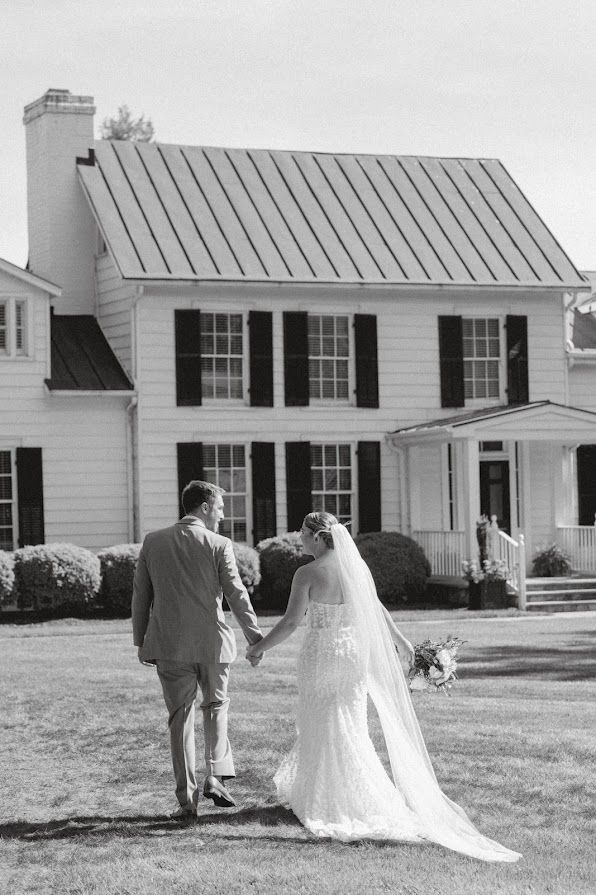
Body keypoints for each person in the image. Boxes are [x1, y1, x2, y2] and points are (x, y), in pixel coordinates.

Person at [246, 511, 521, 861]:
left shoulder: (307, 573)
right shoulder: (355, 568)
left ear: (317, 537)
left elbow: (289, 622)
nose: (298, 536)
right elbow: (378, 611)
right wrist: (403, 644)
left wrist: (257, 648)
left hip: (322, 655)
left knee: (325, 721)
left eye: (302, 531)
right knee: (350, 725)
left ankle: (329, 798)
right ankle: (347, 793)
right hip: (353, 657)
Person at [132, 480, 263, 818]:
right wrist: (254, 636)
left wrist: (140, 641)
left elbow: (141, 596)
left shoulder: (153, 541)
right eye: (219, 507)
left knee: (181, 719)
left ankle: (186, 802)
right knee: (217, 708)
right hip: (213, 643)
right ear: (204, 507)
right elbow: (236, 593)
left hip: (169, 644)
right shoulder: (219, 543)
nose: (221, 514)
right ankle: (216, 777)